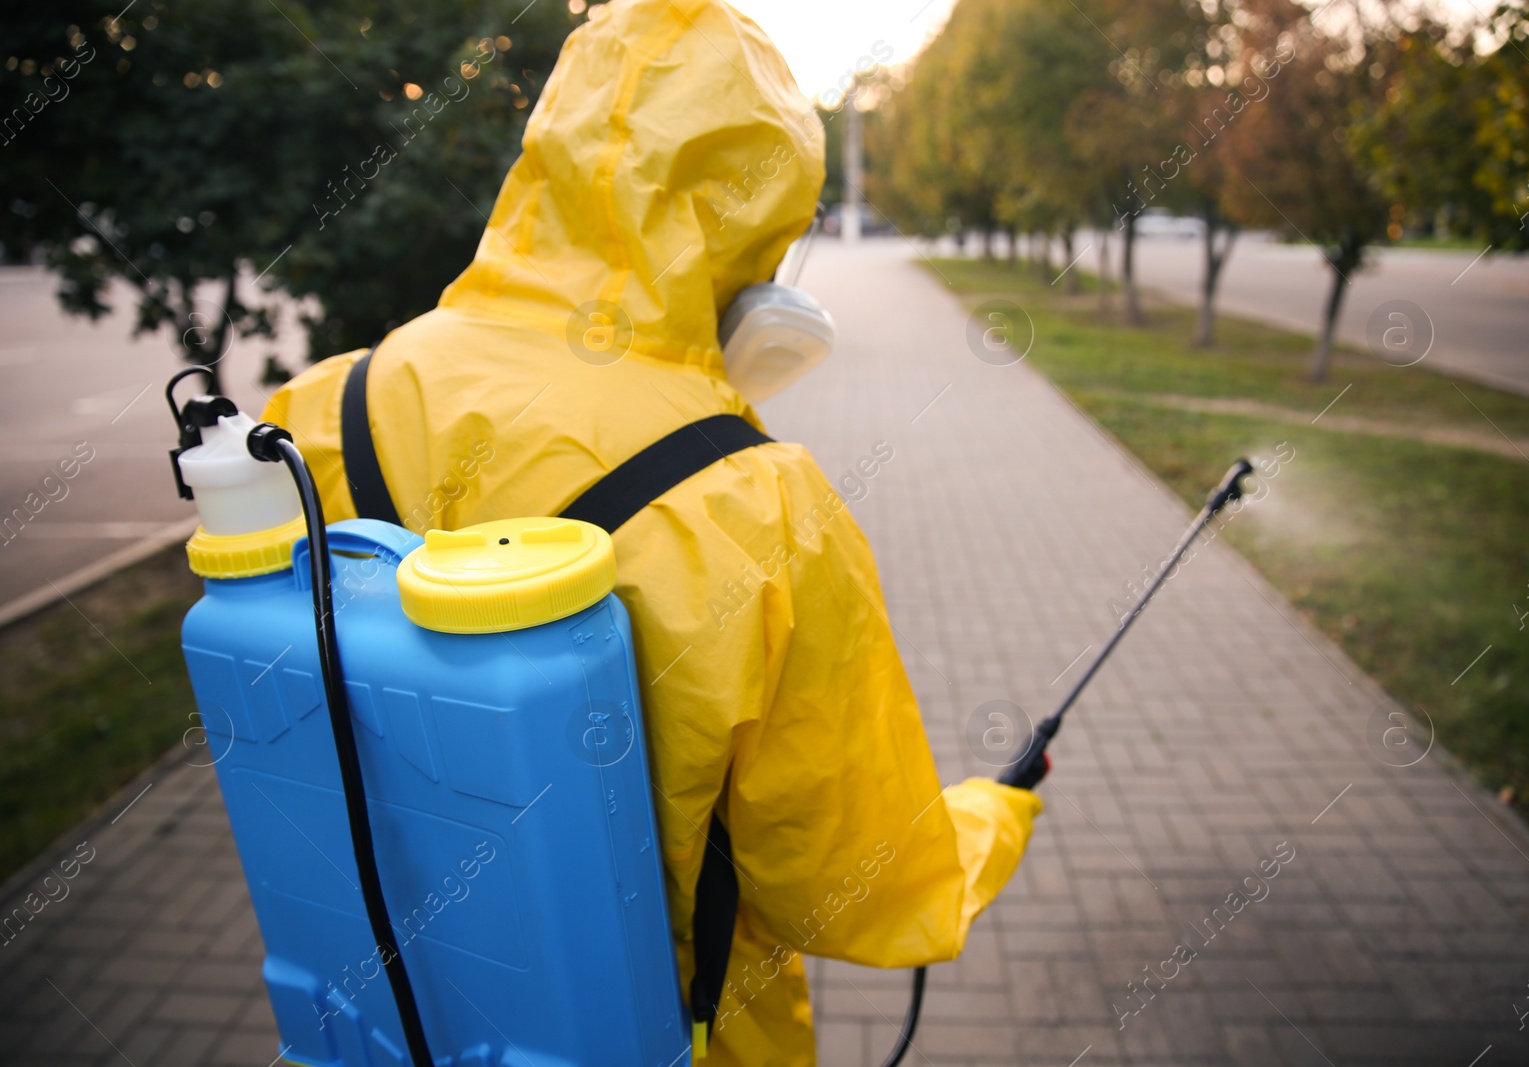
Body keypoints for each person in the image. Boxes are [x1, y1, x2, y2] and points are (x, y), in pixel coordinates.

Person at [262, 0, 1041, 1062]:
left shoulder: (321, 407)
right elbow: (857, 893)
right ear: (758, 234)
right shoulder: (761, 506)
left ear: (549, 155)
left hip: (389, 1020)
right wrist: (995, 815)